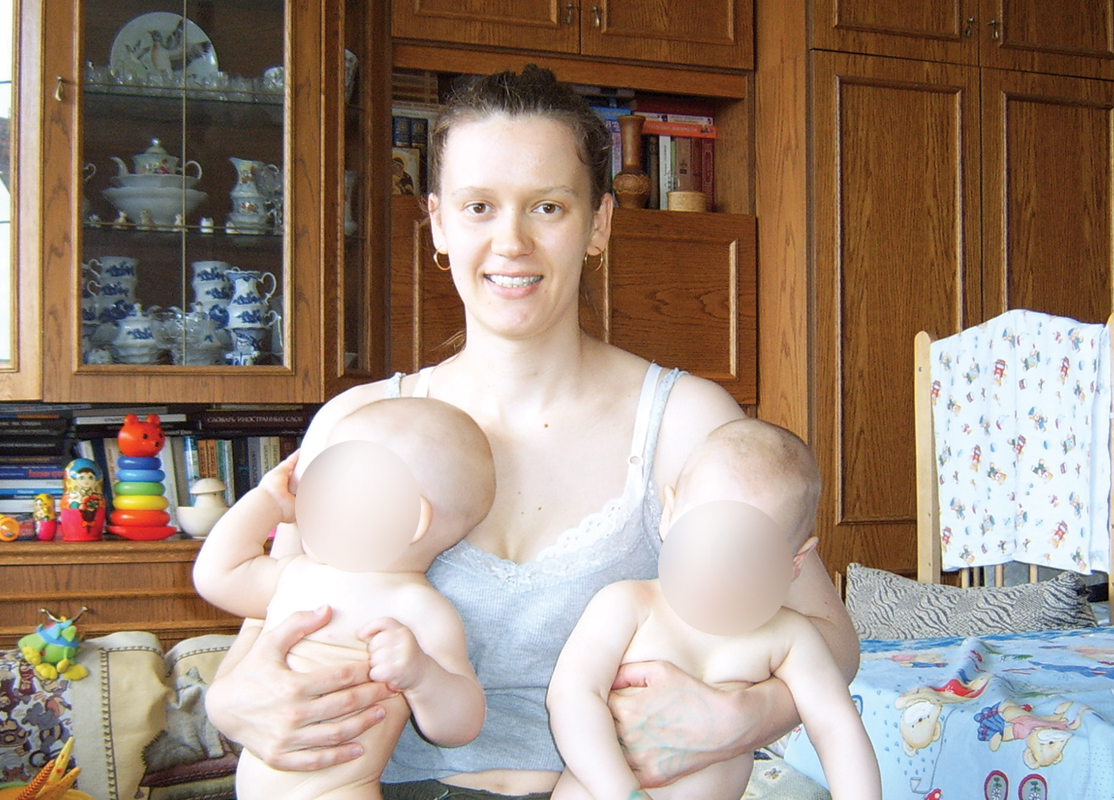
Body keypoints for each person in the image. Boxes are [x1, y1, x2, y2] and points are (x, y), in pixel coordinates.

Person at [204, 64, 860, 798]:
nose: (511, 241)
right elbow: (267, 632)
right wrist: (230, 701)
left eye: (547, 207)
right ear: (438, 223)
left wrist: (745, 716)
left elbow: (829, 638)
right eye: (479, 206)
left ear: (597, 225)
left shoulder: (688, 421)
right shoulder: (354, 426)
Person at [547, 419, 881, 800]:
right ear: (669, 515)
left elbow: (837, 729)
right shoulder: (628, 605)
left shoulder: (789, 638)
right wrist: (624, 794)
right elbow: (571, 697)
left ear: (794, 562)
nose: (716, 568)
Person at [193, 397, 496, 800]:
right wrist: (266, 502)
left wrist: (423, 676)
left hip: (340, 789)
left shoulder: (418, 608)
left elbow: (461, 726)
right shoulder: (297, 573)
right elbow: (216, 577)